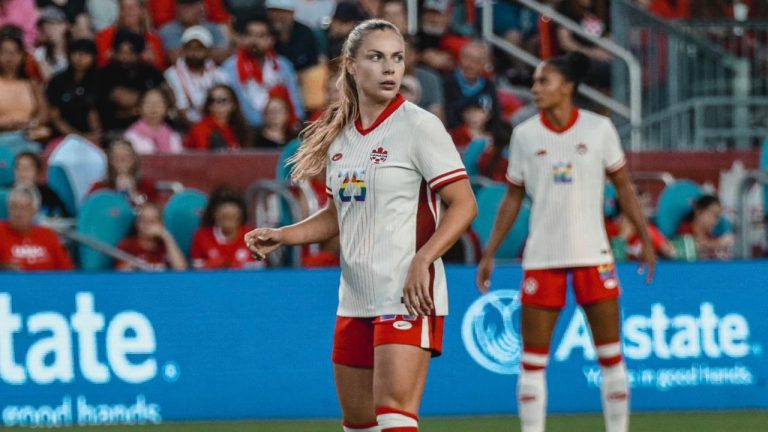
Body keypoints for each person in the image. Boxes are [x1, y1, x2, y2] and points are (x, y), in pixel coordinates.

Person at [245, 19, 477, 432]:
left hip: (409, 294)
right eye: (376, 57)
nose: (390, 69)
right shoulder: (340, 137)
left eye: (397, 58)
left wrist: (423, 260)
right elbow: (338, 215)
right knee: (358, 424)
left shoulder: (419, 126)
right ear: (351, 66)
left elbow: (464, 204)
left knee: (393, 414)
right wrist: (284, 235)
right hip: (354, 297)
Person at [476, 52, 656, 432]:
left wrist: (645, 237)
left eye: (544, 81)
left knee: (611, 356)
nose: (535, 88)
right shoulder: (525, 135)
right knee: (532, 362)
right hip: (542, 257)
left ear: (567, 87)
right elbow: (512, 198)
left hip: (594, 254)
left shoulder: (599, 128)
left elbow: (624, 187)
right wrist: (490, 251)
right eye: (536, 82)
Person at [220, 14, 304, 129]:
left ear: (271, 40)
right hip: (245, 129)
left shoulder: (283, 65)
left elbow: (295, 101)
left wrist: (295, 122)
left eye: (261, 36)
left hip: (281, 128)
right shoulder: (230, 67)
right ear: (243, 38)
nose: (254, 40)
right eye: (249, 35)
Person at [96, 29, 165, 133]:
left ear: (138, 54)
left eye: (130, 53)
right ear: (114, 52)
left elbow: (168, 96)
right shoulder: (105, 73)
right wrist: (150, 102)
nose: (125, 57)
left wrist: (136, 109)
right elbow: (125, 99)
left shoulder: (150, 71)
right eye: (121, 52)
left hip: (152, 128)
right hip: (116, 130)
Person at [0, 185, 74, 271]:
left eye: (24, 208)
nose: (18, 213)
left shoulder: (48, 235)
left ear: (35, 211)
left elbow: (67, 271)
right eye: (14, 207)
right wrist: (3, 267)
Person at [163, 25, 226, 126]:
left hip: (217, 124)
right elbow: (182, 111)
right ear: (183, 50)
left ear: (208, 51)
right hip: (185, 126)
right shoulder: (172, 74)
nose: (194, 53)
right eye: (189, 48)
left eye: (199, 49)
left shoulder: (219, 74)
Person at [0, 26, 50, 146]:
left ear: (22, 56)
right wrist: (6, 125)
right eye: (4, 52)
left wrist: (30, 124)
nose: (9, 57)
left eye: (14, 52)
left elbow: (44, 113)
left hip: (27, 134)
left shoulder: (31, 83)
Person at [46, 38, 102, 142]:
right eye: (76, 53)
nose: (80, 58)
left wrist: (95, 136)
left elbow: (96, 113)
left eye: (85, 54)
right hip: (62, 136)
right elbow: (54, 116)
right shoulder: (57, 81)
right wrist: (77, 136)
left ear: (94, 57)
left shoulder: (101, 81)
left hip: (95, 137)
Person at [191, 185, 260, 270]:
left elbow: (260, 268)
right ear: (214, 215)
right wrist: (211, 264)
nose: (228, 224)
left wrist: (237, 265)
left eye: (233, 217)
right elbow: (196, 268)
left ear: (241, 216)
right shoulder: (202, 236)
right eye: (224, 217)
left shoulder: (252, 236)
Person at [443, 40, 501, 130]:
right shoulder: (446, 82)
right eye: (467, 58)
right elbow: (447, 116)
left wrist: (486, 116)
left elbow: (496, 119)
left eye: (476, 61)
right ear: (460, 58)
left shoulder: (489, 86)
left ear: (485, 64)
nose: (470, 65)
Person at [115, 202, 188, 271]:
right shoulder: (127, 244)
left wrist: (167, 237)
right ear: (137, 223)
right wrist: (132, 265)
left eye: (152, 221)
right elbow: (120, 275)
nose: (146, 225)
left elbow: (181, 270)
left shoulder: (166, 245)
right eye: (143, 220)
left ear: (161, 223)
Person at [95, 0, 166, 70]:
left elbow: (161, 69)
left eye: (131, 8)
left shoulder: (153, 40)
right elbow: (100, 65)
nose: (127, 12)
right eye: (123, 8)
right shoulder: (106, 35)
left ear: (141, 11)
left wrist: (153, 61)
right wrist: (115, 57)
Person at [89, 138, 159, 206]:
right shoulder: (99, 188)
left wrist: (133, 193)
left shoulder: (147, 185)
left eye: (127, 157)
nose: (122, 162)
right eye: (117, 158)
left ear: (135, 160)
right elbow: (90, 210)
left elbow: (153, 213)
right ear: (110, 162)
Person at [158, 0, 229, 65]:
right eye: (182, 4)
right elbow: (176, 59)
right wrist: (208, 52)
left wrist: (192, 53)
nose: (185, 9)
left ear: (201, 6)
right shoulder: (168, 30)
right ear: (176, 7)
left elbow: (223, 55)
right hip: (180, 76)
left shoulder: (212, 28)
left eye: (191, 5)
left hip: (210, 74)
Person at [185, 83, 250, 151]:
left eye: (223, 100)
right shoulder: (200, 129)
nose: (216, 104)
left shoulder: (239, 129)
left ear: (233, 104)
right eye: (212, 100)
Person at [123, 88, 183, 154]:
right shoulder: (131, 136)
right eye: (148, 103)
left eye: (159, 103)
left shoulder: (173, 137)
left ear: (166, 108)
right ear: (140, 108)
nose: (154, 108)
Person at [13, 151, 70, 217]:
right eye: (18, 168)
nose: (22, 173)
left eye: (26, 169)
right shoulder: (6, 193)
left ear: (37, 172)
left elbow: (63, 215)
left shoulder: (48, 194)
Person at [677, 194, 734, 260]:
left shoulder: (712, 238)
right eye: (715, 216)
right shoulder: (684, 230)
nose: (717, 221)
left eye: (718, 217)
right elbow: (688, 247)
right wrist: (718, 243)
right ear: (699, 212)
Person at [33, 7, 71, 81]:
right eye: (46, 25)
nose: (50, 29)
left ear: (65, 25)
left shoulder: (74, 50)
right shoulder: (40, 53)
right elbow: (49, 80)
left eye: (54, 24)